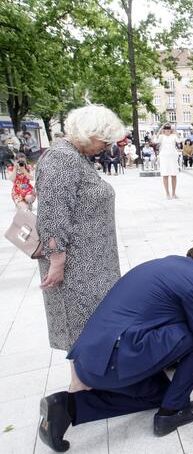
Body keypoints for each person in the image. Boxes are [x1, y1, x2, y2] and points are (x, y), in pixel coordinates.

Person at [37, 238, 193, 452]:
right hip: (114, 361)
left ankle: (66, 408)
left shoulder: (168, 265)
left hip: (89, 359)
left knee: (159, 393)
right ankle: (173, 412)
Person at [35, 104, 124, 397]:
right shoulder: (61, 159)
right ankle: (80, 387)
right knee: (79, 323)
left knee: (92, 321)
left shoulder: (76, 156)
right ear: (89, 134)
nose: (108, 146)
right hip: (77, 266)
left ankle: (89, 379)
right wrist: (57, 260)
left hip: (92, 262)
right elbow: (52, 214)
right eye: (105, 139)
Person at [156, 124, 180, 199]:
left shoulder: (173, 136)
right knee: (165, 175)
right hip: (164, 158)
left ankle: (173, 193)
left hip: (172, 157)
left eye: (169, 129)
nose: (167, 131)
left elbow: (179, 140)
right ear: (164, 130)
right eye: (166, 129)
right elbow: (155, 139)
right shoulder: (161, 136)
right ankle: (167, 193)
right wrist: (160, 129)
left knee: (174, 175)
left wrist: (175, 131)